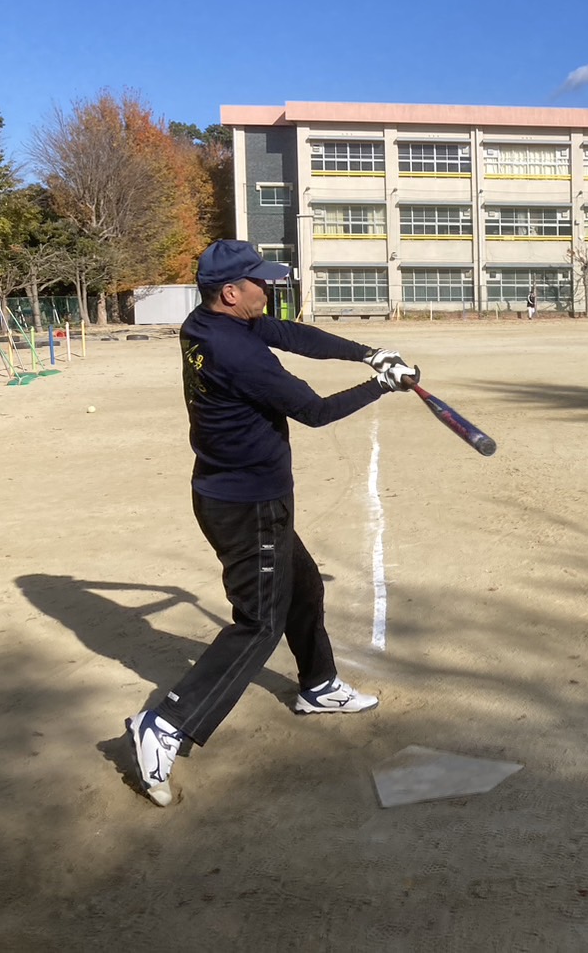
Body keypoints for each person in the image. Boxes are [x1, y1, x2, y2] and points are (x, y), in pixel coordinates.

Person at [125, 240, 418, 807]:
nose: (271, 288)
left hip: (240, 494)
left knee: (302, 588)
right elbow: (314, 411)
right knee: (260, 622)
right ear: (232, 293)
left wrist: (367, 353)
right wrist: (382, 384)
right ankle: (164, 725)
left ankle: (318, 685)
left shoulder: (209, 324)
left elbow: (293, 334)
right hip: (247, 505)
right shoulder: (238, 354)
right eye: (261, 282)